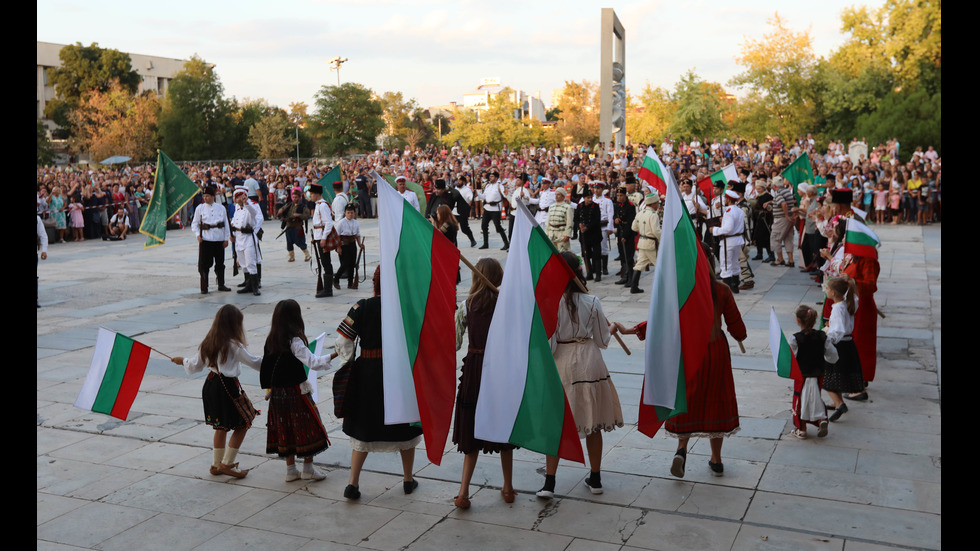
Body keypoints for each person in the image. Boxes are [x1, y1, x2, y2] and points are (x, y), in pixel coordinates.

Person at [537, 252, 623, 499]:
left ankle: (550, 483)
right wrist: (612, 327)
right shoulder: (592, 301)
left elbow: (550, 343)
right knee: (593, 421)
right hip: (589, 362)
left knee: (556, 423)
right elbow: (603, 340)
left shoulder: (550, 302)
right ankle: (595, 479)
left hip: (562, 362)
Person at [336, 267, 422, 500]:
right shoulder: (406, 308)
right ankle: (407, 479)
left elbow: (343, 340)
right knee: (404, 424)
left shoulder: (361, 306)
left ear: (375, 283)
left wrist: (349, 359)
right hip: (398, 372)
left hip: (368, 374)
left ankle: (352, 484)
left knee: (364, 425)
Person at [666, 252, 746, 478]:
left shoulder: (680, 290)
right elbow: (738, 330)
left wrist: (637, 330)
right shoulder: (722, 290)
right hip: (715, 353)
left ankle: (681, 449)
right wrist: (740, 334)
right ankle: (717, 459)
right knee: (716, 402)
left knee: (687, 400)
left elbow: (662, 321)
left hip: (689, 352)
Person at [452, 258, 515, 509]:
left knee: (471, 430)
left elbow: (455, 343)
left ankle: (463, 493)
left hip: (475, 369)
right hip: (499, 370)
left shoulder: (466, 307)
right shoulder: (506, 305)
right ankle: (508, 488)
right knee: (504, 428)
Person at [170, 305, 261, 478]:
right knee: (243, 423)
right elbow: (255, 362)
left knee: (221, 427)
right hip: (228, 387)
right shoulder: (235, 345)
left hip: (211, 385)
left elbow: (194, 366)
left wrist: (182, 361)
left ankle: (216, 464)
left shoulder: (208, 342)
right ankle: (227, 463)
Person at [261, 299, 334, 481]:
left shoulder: (271, 341)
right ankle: (307, 468)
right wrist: (336, 353)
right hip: (295, 392)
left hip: (278, 394)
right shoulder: (295, 342)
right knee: (307, 427)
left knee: (285, 427)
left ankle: (291, 470)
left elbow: (265, 365)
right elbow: (314, 363)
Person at [788, 305, 837, 439]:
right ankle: (822, 419)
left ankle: (802, 429)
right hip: (818, 373)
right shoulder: (822, 336)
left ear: (798, 320)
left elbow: (790, 357)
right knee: (815, 396)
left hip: (802, 375)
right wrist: (829, 361)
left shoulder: (795, 338)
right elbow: (833, 355)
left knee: (800, 400)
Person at [822, 277, 864, 422]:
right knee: (837, 375)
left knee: (827, 377)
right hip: (848, 344)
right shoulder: (848, 302)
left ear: (833, 292)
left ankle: (840, 404)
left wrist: (826, 338)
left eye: (827, 288)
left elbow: (838, 330)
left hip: (839, 345)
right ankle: (837, 402)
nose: (826, 290)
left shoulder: (838, 308)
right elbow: (856, 298)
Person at [192, 185, 231, 294]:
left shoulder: (221, 208)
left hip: (218, 238)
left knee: (220, 263)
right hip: (206, 239)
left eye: (208, 196)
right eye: (204, 196)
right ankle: (205, 286)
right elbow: (194, 224)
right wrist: (197, 235)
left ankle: (221, 284)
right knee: (205, 264)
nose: (205, 198)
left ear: (213, 196)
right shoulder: (200, 208)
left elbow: (226, 224)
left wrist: (226, 238)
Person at [712, 189, 746, 294]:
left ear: (728, 199)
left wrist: (714, 230)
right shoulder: (739, 210)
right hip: (737, 240)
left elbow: (728, 229)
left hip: (729, 240)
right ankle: (735, 286)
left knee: (726, 264)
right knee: (735, 263)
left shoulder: (729, 212)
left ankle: (727, 290)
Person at [231, 186, 261, 296]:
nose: (239, 199)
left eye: (241, 197)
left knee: (250, 262)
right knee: (243, 263)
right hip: (239, 238)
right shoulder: (237, 209)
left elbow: (253, 213)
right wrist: (232, 234)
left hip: (248, 237)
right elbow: (234, 222)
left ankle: (255, 286)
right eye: (237, 197)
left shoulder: (250, 207)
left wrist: (246, 203)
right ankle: (248, 284)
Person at [630, 192, 662, 294]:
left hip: (642, 242)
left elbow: (633, 227)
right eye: (657, 203)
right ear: (653, 204)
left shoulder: (640, 213)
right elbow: (656, 231)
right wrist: (664, 238)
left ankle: (634, 287)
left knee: (639, 264)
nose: (658, 205)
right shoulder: (653, 215)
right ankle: (662, 287)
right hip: (651, 244)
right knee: (660, 265)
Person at [309, 183, 335, 298]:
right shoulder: (318, 205)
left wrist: (323, 238)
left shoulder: (323, 205)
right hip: (318, 236)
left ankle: (328, 290)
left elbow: (328, 223)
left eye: (311, 193)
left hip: (322, 238)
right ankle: (326, 288)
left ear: (316, 194)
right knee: (324, 262)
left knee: (326, 262)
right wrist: (316, 237)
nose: (310, 195)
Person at [276, 187, 311, 263]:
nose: (294, 199)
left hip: (297, 227)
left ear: (299, 197)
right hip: (289, 226)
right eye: (293, 197)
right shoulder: (289, 205)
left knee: (300, 242)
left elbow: (307, 216)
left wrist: (299, 215)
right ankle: (291, 257)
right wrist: (280, 211)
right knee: (289, 243)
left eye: (296, 197)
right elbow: (281, 211)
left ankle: (307, 255)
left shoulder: (303, 207)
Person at [334, 204, 364, 290]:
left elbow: (358, 234)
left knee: (352, 264)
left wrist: (359, 244)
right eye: (348, 213)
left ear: (354, 213)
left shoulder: (356, 222)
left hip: (352, 244)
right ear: (345, 213)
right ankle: (336, 280)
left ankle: (350, 283)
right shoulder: (341, 223)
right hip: (343, 245)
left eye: (352, 213)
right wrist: (338, 247)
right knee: (344, 264)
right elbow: (337, 236)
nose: (350, 214)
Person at [546, 187, 574, 252]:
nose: (556, 196)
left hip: (562, 233)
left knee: (563, 254)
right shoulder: (551, 207)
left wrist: (567, 234)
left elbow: (570, 222)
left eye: (558, 194)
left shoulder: (568, 207)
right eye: (555, 194)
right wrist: (547, 232)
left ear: (563, 196)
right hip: (552, 234)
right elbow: (548, 221)